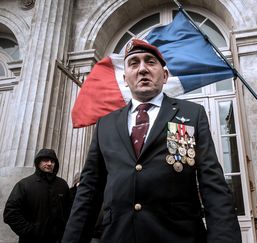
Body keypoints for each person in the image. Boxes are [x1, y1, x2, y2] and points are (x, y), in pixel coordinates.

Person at [62, 39, 241, 243]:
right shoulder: (106, 123)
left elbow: (212, 184)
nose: (142, 69)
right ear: (125, 78)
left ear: (164, 75)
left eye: (150, 62)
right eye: (134, 63)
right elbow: (89, 190)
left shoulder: (192, 114)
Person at [3, 148, 71, 243]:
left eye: (52, 161)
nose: (49, 163)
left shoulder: (62, 185)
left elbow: (70, 211)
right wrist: (31, 232)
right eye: (45, 160)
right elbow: (10, 213)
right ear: (38, 162)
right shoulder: (24, 184)